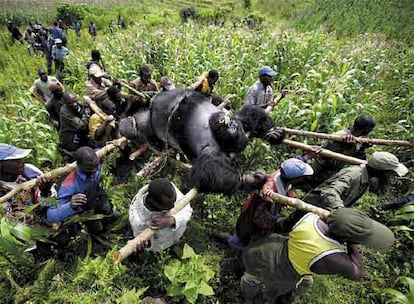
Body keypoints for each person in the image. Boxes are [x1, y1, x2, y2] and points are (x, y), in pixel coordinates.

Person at [240, 208, 395, 303]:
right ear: (346, 238)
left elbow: (283, 224)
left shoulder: (309, 218)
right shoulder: (333, 258)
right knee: (252, 281)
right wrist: (354, 246)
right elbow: (357, 274)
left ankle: (284, 297)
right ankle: (247, 297)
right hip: (280, 270)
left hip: (271, 246)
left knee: (307, 283)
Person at [221, 158, 315, 249]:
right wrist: (272, 202)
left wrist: (306, 157)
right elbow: (262, 219)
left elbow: (294, 165)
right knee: (244, 235)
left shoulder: (281, 174)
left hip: (257, 212)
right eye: (301, 177)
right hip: (253, 217)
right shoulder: (271, 192)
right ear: (294, 179)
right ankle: (232, 242)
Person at [303, 151, 408, 212]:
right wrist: (341, 212)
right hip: (310, 210)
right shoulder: (354, 175)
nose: (389, 176)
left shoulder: (365, 178)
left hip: (321, 211)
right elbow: (330, 192)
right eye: (388, 173)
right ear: (378, 170)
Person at [46, 147, 118, 234]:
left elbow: (102, 149)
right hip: (82, 209)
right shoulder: (69, 185)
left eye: (96, 165)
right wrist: (70, 205)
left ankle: (107, 216)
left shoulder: (95, 158)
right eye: (89, 168)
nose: (94, 170)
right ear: (79, 165)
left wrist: (110, 145)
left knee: (111, 212)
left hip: (96, 194)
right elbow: (51, 215)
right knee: (97, 229)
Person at [304, 114, 377, 190]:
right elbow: (329, 161)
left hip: (330, 172)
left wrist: (363, 148)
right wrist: (346, 147)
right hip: (318, 172)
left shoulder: (355, 139)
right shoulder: (339, 137)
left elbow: (358, 161)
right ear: (366, 129)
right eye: (371, 129)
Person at [129, 178, 193, 252]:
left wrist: (171, 220)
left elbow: (188, 210)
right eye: (168, 206)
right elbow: (145, 242)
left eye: (174, 202)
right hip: (161, 247)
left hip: (177, 235)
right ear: (154, 204)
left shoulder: (169, 191)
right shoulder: (137, 219)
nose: (173, 207)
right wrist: (145, 244)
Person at [0, 144, 51, 208]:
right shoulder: (2, 190)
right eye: (16, 160)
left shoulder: (30, 171)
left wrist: (45, 191)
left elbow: (47, 206)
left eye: (21, 158)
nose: (22, 162)